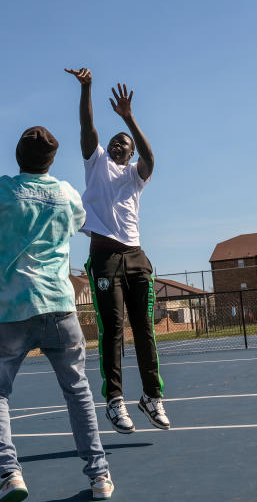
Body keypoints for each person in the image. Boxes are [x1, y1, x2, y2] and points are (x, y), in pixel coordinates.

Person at [0, 126, 114, 502]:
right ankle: (100, 475)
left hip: (12, 311)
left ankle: (9, 474)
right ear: (52, 161)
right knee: (78, 392)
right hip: (61, 306)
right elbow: (78, 222)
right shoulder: (66, 194)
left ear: (17, 157)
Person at [65, 67, 171, 435]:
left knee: (145, 329)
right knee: (113, 330)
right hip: (106, 258)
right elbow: (87, 129)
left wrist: (130, 118)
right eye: (114, 142)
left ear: (130, 153)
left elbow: (151, 158)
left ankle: (152, 397)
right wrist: (87, 89)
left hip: (137, 257)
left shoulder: (136, 176)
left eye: (123, 144)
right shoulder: (96, 165)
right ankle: (114, 400)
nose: (116, 145)